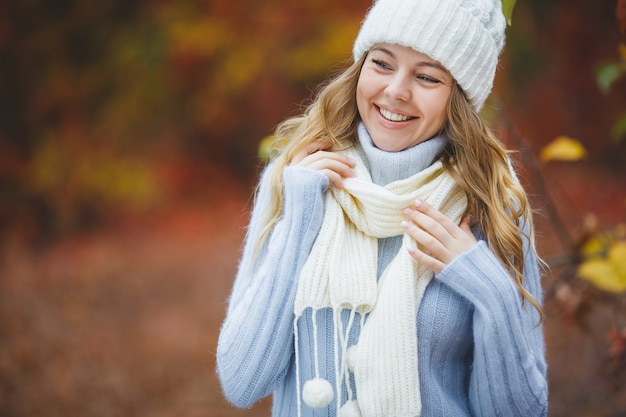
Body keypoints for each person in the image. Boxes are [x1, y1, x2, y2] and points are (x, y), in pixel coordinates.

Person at [216, 0, 548, 415]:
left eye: (426, 76)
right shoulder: (299, 177)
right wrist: (299, 223)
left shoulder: (492, 201)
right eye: (382, 63)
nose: (396, 91)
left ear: (458, 99)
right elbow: (241, 381)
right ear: (360, 66)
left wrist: (490, 290)